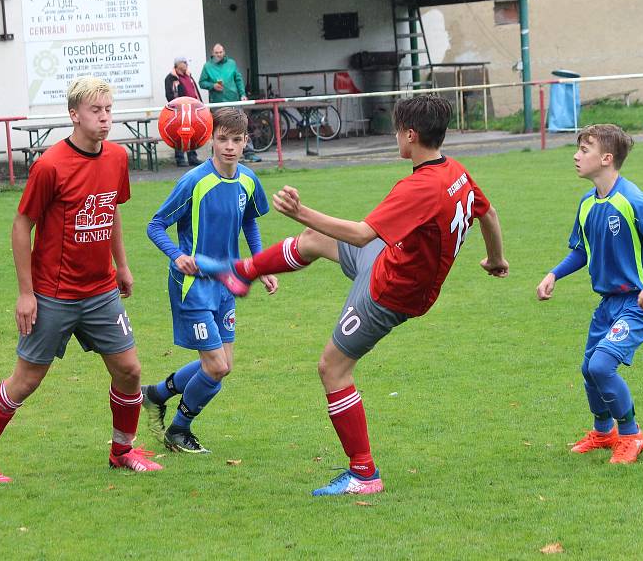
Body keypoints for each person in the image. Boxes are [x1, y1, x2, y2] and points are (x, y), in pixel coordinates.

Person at [198, 95, 509, 495]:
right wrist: (496, 258)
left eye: (397, 130)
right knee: (314, 240)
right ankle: (243, 273)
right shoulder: (456, 172)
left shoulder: (421, 187)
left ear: (410, 136)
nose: (396, 136)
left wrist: (300, 211)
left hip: (391, 292)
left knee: (333, 368)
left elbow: (362, 233)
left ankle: (364, 474)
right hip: (389, 259)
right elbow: (490, 213)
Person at [0, 76, 163, 482]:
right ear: (74, 115)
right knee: (27, 380)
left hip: (101, 289)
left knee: (130, 370)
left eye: (109, 110)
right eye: (96, 111)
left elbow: (110, 210)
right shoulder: (50, 165)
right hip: (54, 294)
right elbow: (22, 226)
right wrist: (26, 293)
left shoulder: (117, 159)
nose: (105, 118)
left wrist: (121, 265)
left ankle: (122, 450)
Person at [536, 124, 643, 464]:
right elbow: (582, 251)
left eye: (584, 150)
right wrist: (554, 274)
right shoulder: (588, 203)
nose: (576, 156)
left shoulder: (633, 200)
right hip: (609, 303)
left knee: (602, 365)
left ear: (606, 158)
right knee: (589, 369)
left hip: (641, 301)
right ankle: (603, 432)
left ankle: (632, 435)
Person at [142, 107, 277, 454]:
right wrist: (177, 255)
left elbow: (250, 222)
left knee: (222, 366)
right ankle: (178, 431)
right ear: (210, 140)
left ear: (246, 141)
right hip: (193, 286)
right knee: (215, 367)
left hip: (226, 284)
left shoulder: (248, 179)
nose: (229, 146)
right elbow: (155, 225)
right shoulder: (194, 181)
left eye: (236, 139)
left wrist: (260, 265)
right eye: (222, 139)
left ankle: (156, 394)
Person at [198, 43, 261, 162]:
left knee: (241, 126)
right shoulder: (207, 66)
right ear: (213, 53)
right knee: (219, 129)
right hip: (218, 103)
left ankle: (248, 152)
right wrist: (212, 86)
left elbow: (238, 79)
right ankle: (218, 156)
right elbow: (202, 82)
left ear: (224, 52)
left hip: (233, 100)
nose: (219, 55)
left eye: (220, 52)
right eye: (216, 53)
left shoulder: (231, 63)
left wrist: (242, 94)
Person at [165, 56, 202, 168]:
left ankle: (192, 157)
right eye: (184, 62)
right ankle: (180, 158)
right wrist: (179, 106)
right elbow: (169, 95)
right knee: (180, 134)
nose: (186, 64)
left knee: (193, 133)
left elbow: (195, 91)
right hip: (180, 111)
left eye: (186, 62)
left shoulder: (189, 76)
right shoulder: (170, 78)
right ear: (178, 64)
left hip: (193, 110)